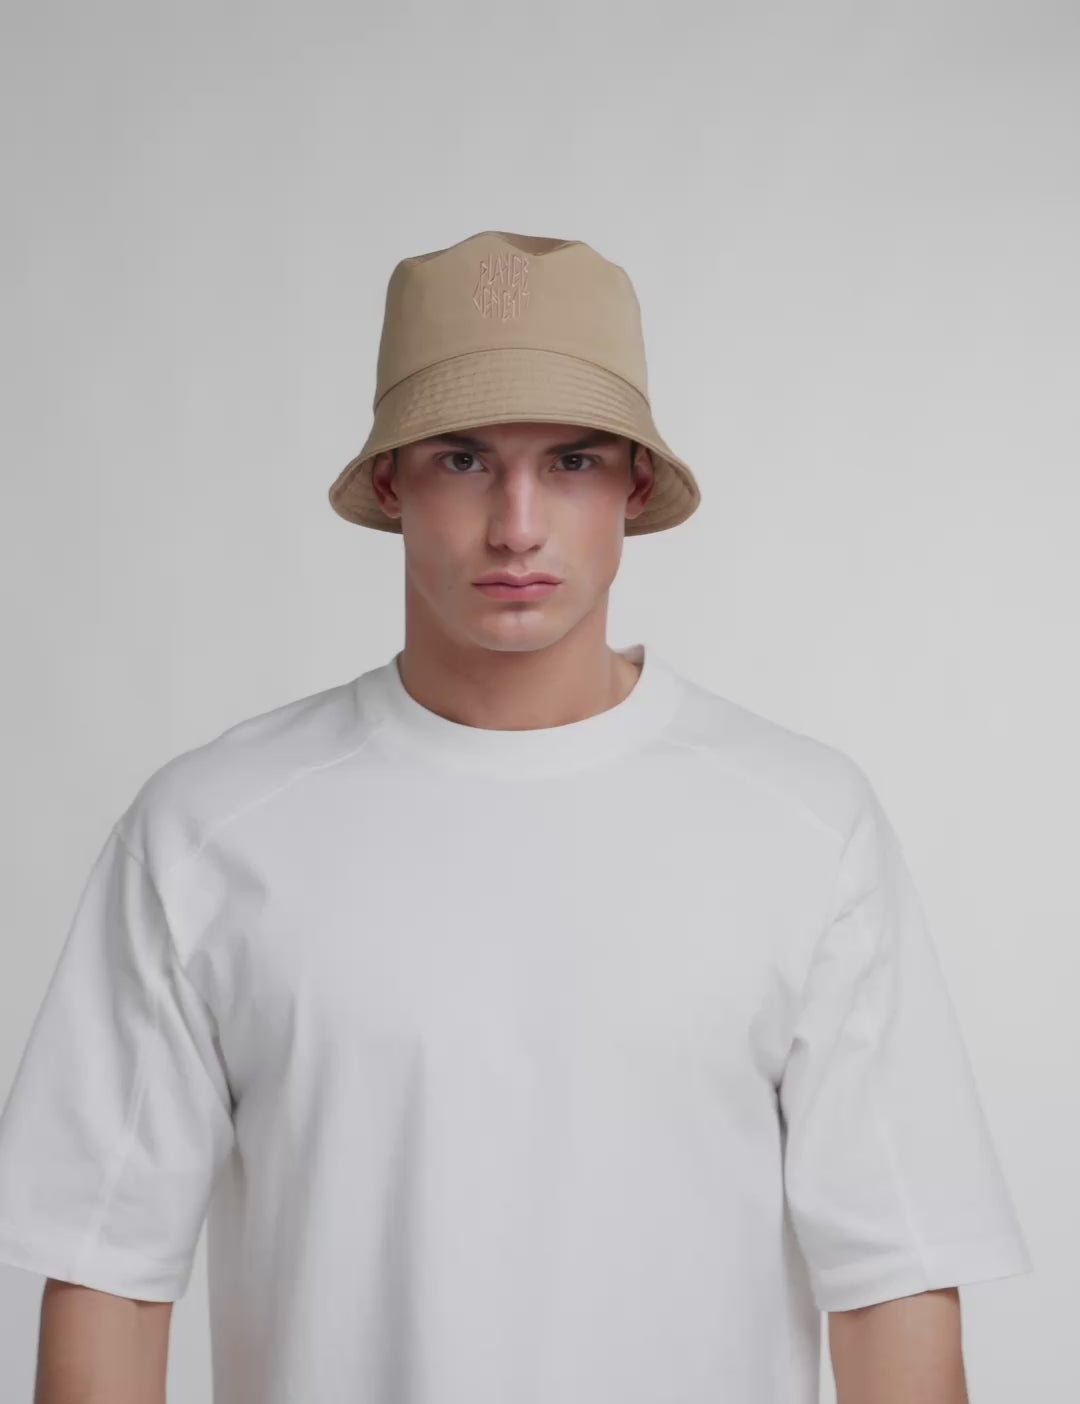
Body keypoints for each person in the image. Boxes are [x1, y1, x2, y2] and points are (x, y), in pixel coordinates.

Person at [0, 230, 1032, 1403]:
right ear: (389, 481)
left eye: (574, 460)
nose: (518, 524)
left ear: (634, 483)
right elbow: (108, 1270)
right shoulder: (209, 831)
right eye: (463, 459)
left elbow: (895, 1283)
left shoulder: (801, 825)